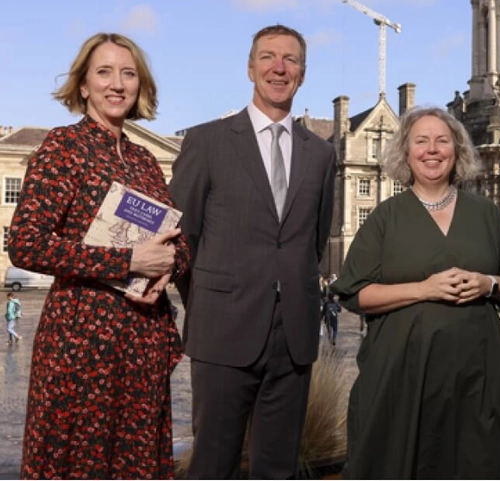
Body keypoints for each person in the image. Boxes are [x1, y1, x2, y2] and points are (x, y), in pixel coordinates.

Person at [8, 32, 188, 479]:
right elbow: (26, 243)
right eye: (104, 72)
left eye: (128, 73)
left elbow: (174, 239)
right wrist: (126, 263)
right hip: (81, 344)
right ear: (83, 85)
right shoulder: (62, 148)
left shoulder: (147, 160)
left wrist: (167, 269)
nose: (117, 83)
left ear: (139, 86)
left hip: (143, 343)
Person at [331, 106, 500, 479]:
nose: (432, 150)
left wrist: (488, 283)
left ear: (458, 151)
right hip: (402, 374)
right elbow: (354, 293)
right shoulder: (386, 216)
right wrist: (423, 289)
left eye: (442, 141)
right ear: (405, 152)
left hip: (479, 376)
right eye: (421, 141)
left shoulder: (485, 214)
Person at [169, 24, 336, 479]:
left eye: (291, 60)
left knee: (277, 467)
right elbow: (183, 239)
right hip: (223, 329)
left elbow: (314, 240)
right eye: (268, 57)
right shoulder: (207, 141)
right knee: (213, 464)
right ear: (250, 68)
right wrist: (211, 299)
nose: (279, 68)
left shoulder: (321, 154)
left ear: (302, 74)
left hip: (295, 337)